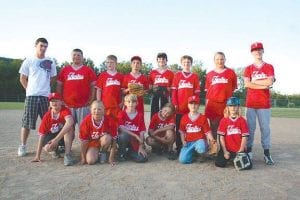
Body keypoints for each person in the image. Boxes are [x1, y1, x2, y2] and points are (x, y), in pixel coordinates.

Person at [18, 37, 57, 156]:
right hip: (32, 96)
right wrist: (29, 90)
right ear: (36, 46)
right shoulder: (29, 60)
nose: (43, 48)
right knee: (27, 122)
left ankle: (50, 146)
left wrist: (45, 87)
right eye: (41, 46)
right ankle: (23, 146)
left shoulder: (50, 61)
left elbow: (54, 77)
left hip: (46, 96)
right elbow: (22, 78)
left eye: (45, 46)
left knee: (49, 123)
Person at [243, 42, 275, 165]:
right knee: (250, 128)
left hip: (264, 104)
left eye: (259, 50)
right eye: (255, 50)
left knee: (265, 128)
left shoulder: (269, 66)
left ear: (263, 51)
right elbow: (247, 84)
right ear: (252, 53)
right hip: (251, 103)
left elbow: (270, 81)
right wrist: (264, 84)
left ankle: (267, 153)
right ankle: (249, 151)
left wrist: (254, 83)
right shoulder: (248, 68)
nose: (257, 52)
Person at [57, 49, 97, 142]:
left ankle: (87, 149)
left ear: (82, 57)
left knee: (85, 129)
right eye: (74, 55)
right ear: (71, 56)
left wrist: (91, 99)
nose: (76, 57)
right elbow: (59, 85)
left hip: (83, 105)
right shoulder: (65, 69)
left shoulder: (88, 70)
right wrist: (60, 99)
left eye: (79, 55)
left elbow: (93, 86)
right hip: (68, 105)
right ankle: (67, 150)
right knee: (67, 129)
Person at [31, 93, 74, 166]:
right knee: (47, 148)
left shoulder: (65, 110)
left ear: (61, 102)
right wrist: (37, 155)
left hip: (61, 137)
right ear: (50, 104)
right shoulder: (47, 116)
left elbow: (70, 122)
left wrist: (56, 140)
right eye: (52, 101)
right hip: (51, 137)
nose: (54, 102)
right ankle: (55, 150)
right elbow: (42, 135)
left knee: (69, 128)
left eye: (56, 100)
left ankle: (67, 155)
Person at [171, 55, 201, 154]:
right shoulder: (177, 75)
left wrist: (196, 105)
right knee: (179, 128)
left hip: (190, 107)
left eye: (188, 62)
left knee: (191, 127)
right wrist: (175, 103)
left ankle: (191, 146)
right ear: (182, 63)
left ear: (191, 63)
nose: (186, 64)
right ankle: (179, 147)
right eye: (184, 62)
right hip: (180, 106)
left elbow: (196, 93)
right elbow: (174, 91)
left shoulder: (195, 76)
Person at [205, 52, 237, 139]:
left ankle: (226, 148)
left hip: (226, 103)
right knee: (214, 126)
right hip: (213, 104)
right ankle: (215, 148)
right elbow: (208, 92)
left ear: (225, 60)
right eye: (217, 59)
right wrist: (206, 105)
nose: (220, 61)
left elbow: (233, 88)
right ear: (214, 60)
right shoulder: (209, 74)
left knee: (227, 125)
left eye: (222, 59)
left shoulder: (231, 73)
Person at [215, 97, 251, 169]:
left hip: (239, 149)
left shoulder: (242, 120)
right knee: (219, 164)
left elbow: (245, 137)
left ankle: (241, 155)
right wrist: (225, 151)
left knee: (248, 167)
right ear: (227, 107)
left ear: (238, 107)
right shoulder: (224, 120)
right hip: (228, 149)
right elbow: (221, 137)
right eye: (230, 106)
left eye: (235, 106)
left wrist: (240, 151)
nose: (233, 108)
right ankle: (230, 158)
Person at [178, 96, 215, 164]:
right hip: (189, 142)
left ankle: (201, 154)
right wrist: (183, 141)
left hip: (200, 141)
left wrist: (212, 140)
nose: (193, 106)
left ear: (198, 106)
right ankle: (193, 154)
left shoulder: (203, 117)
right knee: (182, 160)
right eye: (191, 104)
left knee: (201, 147)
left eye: (195, 104)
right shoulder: (184, 117)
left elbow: (207, 132)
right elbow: (182, 132)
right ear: (188, 105)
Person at [79, 100, 117, 165]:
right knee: (90, 161)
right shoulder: (86, 122)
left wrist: (111, 158)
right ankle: (96, 154)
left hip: (104, 142)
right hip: (92, 144)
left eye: (99, 109)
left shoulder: (109, 121)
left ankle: (103, 152)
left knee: (106, 138)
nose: (96, 111)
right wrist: (83, 158)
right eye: (94, 109)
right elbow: (84, 142)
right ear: (90, 110)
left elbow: (114, 140)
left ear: (103, 111)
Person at [117, 94, 148, 163]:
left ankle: (130, 152)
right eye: (128, 101)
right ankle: (122, 152)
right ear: (125, 103)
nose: (131, 104)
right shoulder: (121, 113)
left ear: (137, 103)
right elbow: (122, 129)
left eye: (133, 102)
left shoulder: (140, 115)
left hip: (135, 141)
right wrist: (135, 135)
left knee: (143, 158)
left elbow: (141, 132)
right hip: (125, 139)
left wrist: (141, 146)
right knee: (123, 135)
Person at [96, 55, 123, 122]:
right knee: (105, 124)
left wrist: (122, 102)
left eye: (111, 62)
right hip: (105, 105)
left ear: (116, 64)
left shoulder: (121, 76)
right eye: (107, 62)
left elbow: (123, 92)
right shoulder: (102, 75)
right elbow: (99, 90)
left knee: (116, 125)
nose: (109, 64)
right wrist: (99, 103)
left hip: (117, 105)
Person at [149, 53, 174, 118]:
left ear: (166, 60)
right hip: (155, 95)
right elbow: (149, 85)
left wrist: (168, 89)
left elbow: (173, 86)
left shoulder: (170, 73)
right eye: (159, 59)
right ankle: (153, 127)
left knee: (165, 113)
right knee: (154, 112)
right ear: (157, 60)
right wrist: (152, 87)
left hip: (165, 96)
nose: (162, 60)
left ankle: (164, 127)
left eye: (163, 59)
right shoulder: (153, 72)